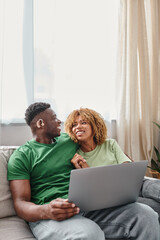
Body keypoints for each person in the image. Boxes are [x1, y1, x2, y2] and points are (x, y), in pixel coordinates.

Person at [8, 103, 159, 240]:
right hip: (51, 215)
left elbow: (100, 142)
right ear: (41, 123)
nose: (60, 121)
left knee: (145, 215)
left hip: (87, 206)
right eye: (54, 118)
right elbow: (20, 203)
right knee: (89, 234)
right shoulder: (22, 156)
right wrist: (46, 211)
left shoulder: (69, 140)